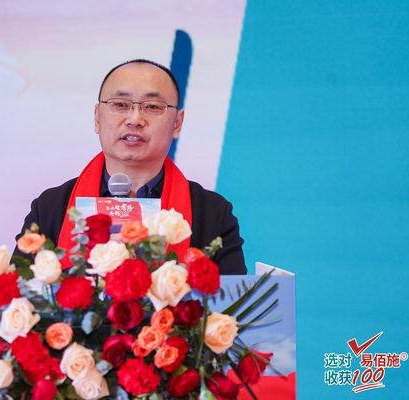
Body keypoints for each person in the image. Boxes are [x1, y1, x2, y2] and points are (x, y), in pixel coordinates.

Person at [13, 59, 246, 274]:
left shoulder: (213, 214)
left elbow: (235, 302)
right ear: (97, 117)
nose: (135, 119)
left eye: (152, 107)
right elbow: (16, 294)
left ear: (177, 123)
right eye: (121, 104)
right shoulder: (51, 208)